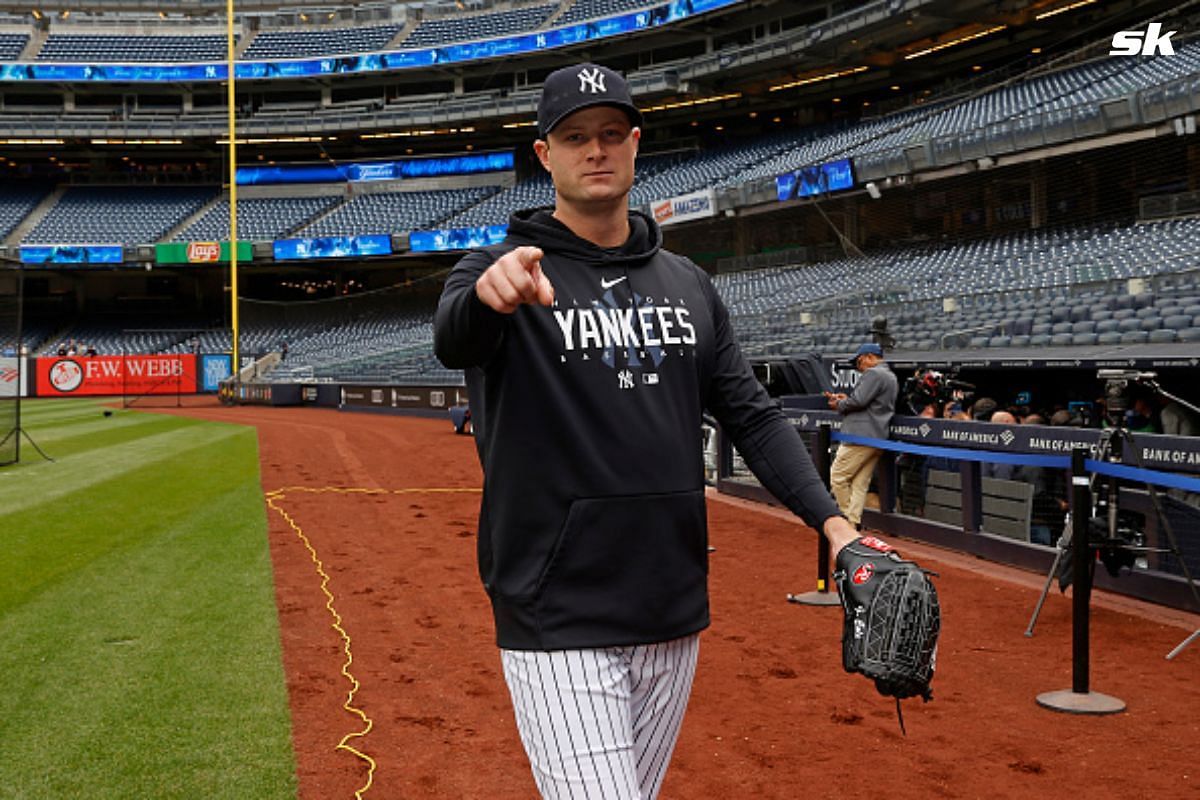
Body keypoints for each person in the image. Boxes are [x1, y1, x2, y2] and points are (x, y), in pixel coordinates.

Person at [433, 62, 859, 800]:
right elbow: (454, 337)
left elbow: (750, 414)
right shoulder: (497, 267)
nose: (593, 150)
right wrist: (490, 298)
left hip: (669, 602)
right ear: (545, 155)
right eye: (573, 137)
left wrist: (835, 526)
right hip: (555, 606)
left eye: (608, 134)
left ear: (635, 144)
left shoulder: (689, 283)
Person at [824, 342, 898, 530]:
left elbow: (859, 401)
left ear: (868, 357)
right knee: (860, 483)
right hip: (878, 436)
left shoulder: (874, 373)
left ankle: (845, 519)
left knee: (837, 477)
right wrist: (845, 399)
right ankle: (853, 523)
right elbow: (866, 403)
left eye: (859, 362)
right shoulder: (890, 375)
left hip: (861, 436)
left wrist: (839, 405)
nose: (859, 367)